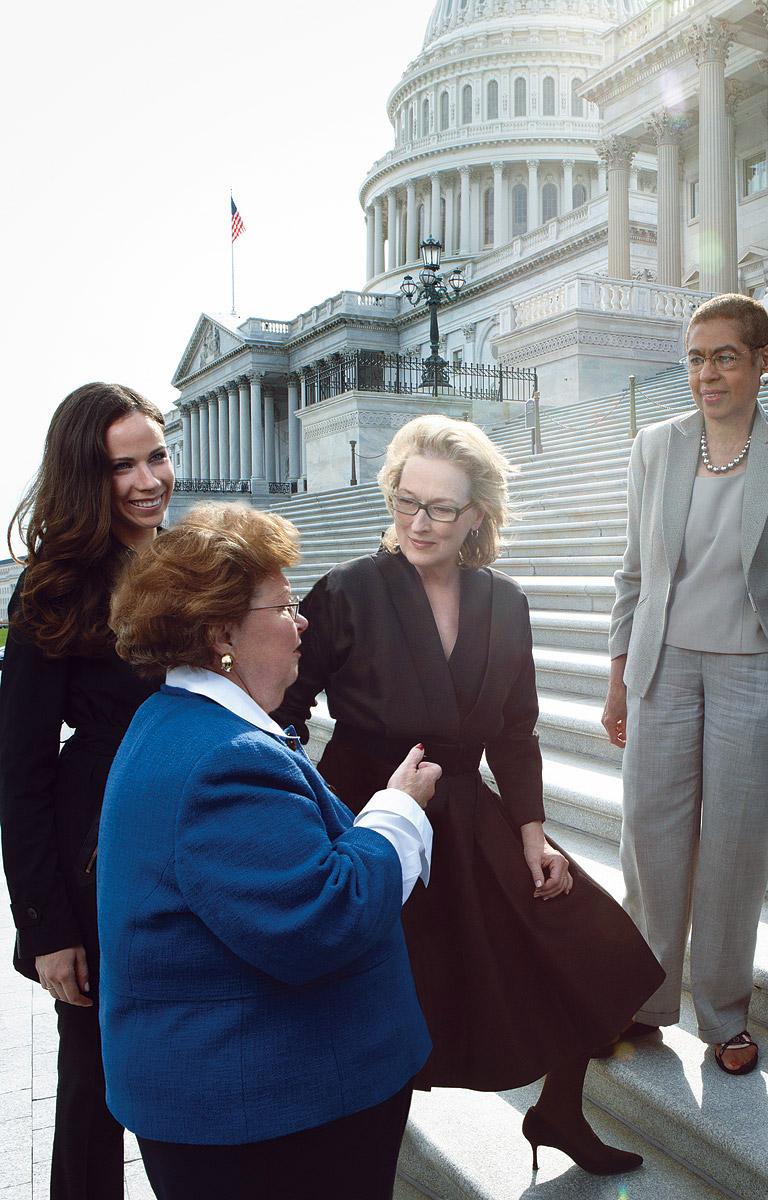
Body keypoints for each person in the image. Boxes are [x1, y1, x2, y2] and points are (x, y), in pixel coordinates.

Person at [275, 414, 663, 1176]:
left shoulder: (503, 602)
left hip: (464, 804)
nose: (418, 523)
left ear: (477, 513)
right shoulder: (346, 590)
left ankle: (557, 1113)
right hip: (368, 810)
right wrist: (307, 808)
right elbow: (284, 706)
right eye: (405, 500)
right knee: (388, 997)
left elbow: (515, 731)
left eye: (441, 508)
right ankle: (359, 1164)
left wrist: (531, 833)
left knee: (591, 946)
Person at [98, 503, 438, 1200]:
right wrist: (398, 812)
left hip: (255, 1106)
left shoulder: (181, 719)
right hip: (271, 1118)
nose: (301, 621)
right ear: (221, 631)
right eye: (283, 605)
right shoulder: (223, 759)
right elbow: (321, 919)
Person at [600, 293, 768, 1075]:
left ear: (763, 362)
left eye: (724, 357)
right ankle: (641, 999)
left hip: (754, 672)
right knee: (650, 836)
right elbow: (634, 573)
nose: (705, 373)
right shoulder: (655, 445)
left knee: (736, 847)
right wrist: (618, 678)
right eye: (694, 357)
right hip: (662, 668)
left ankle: (723, 1015)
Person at [0, 382, 174, 1200]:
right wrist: (45, 926)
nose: (148, 480)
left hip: (198, 837)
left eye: (157, 456)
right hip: (97, 858)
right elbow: (21, 771)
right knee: (93, 1084)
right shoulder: (50, 589)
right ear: (83, 476)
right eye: (121, 467)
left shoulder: (191, 560)